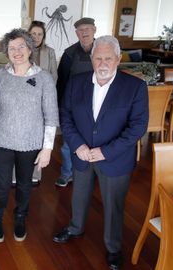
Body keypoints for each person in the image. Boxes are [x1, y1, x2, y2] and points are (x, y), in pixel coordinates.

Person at [52, 36, 149, 270]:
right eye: (98, 58)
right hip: (83, 155)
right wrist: (78, 146)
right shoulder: (76, 82)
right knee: (79, 196)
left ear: (118, 58)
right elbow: (65, 116)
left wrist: (105, 152)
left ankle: (113, 247)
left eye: (108, 58)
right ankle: (75, 228)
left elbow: (137, 126)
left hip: (114, 159)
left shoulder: (135, 87)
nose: (103, 63)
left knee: (114, 205)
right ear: (91, 59)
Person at [0, 28, 58, 243]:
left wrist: (47, 148)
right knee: (1, 185)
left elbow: (51, 115)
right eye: (11, 48)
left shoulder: (44, 78)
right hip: (1, 141)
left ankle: (20, 217)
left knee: (25, 185)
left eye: (21, 47)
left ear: (30, 49)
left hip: (30, 143)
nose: (17, 52)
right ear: (6, 52)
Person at [55, 17, 96, 188]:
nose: (84, 32)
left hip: (98, 104)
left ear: (95, 30)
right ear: (76, 33)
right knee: (69, 143)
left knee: (97, 141)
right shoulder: (69, 54)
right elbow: (61, 82)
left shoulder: (102, 50)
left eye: (87, 29)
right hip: (74, 105)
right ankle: (67, 173)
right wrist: (60, 106)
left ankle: (96, 173)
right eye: (80, 30)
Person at [28, 20, 58, 186]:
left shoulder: (50, 52)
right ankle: (16, 174)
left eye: (40, 34)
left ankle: (35, 174)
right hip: (24, 101)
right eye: (34, 34)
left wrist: (42, 91)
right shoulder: (22, 50)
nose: (37, 37)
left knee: (39, 139)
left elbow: (54, 76)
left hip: (42, 100)